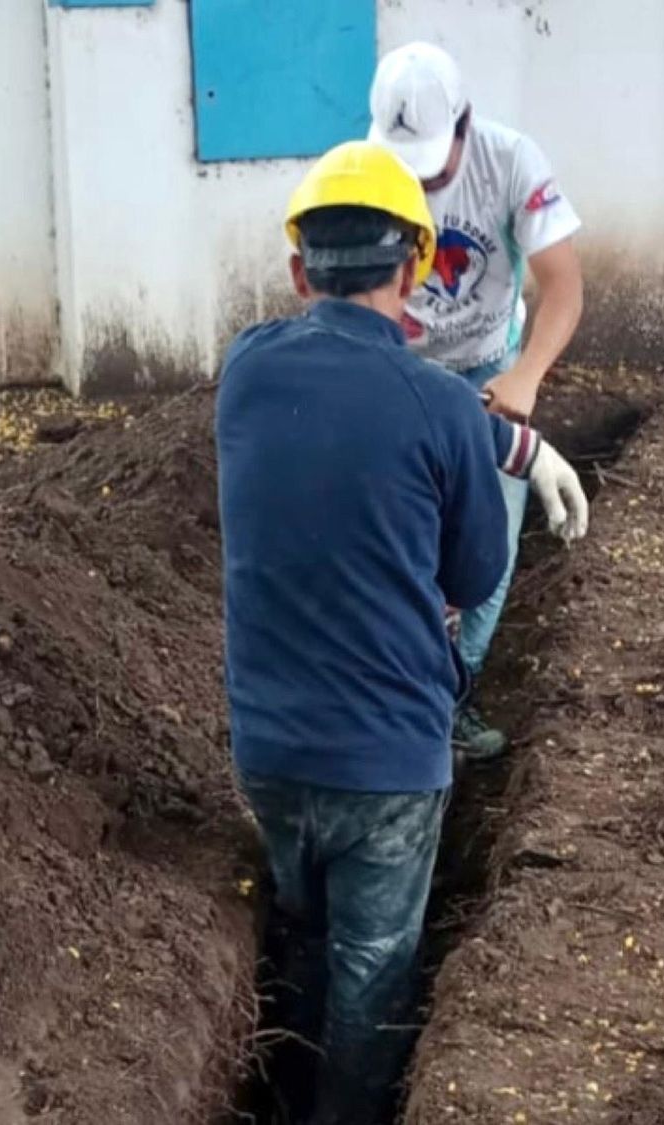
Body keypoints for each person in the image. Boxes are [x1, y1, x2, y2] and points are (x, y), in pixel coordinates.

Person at [216, 141, 586, 1125]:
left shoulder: (244, 372)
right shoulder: (439, 411)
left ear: (301, 271)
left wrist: (495, 433)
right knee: (374, 976)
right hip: (389, 764)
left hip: (268, 746)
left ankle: (274, 1081)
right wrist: (514, 441)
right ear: (417, 267)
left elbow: (362, 397)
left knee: (299, 933)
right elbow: (472, 574)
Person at [368, 41, 585, 759]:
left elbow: (563, 287)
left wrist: (525, 375)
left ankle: (457, 694)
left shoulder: (512, 162)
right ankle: (393, 695)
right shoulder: (363, 174)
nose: (422, 188)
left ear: (464, 126)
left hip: (487, 377)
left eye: (433, 170)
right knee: (399, 543)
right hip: (399, 375)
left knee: (486, 544)